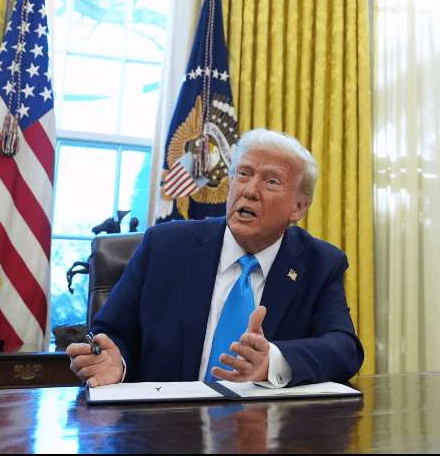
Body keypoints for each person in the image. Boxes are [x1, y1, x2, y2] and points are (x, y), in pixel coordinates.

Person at [68, 128, 364, 388]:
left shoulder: (320, 263)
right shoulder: (163, 246)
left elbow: (343, 348)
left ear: (298, 208)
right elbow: (112, 332)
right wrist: (115, 363)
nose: (250, 191)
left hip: (262, 425)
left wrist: (273, 361)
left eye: (272, 182)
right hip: (166, 423)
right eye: (243, 174)